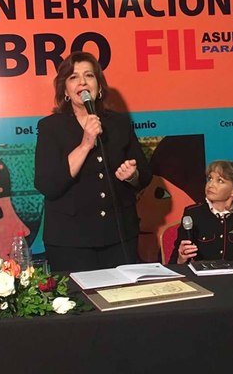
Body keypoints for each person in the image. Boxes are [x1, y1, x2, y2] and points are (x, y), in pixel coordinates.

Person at [34, 51, 152, 272]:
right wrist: (85, 143)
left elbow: (144, 175)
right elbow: (47, 184)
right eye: (73, 77)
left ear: (99, 85)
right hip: (70, 242)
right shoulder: (50, 127)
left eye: (89, 75)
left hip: (119, 236)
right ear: (65, 90)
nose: (82, 82)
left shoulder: (118, 123)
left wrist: (132, 175)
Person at [169, 160, 233, 264]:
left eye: (220, 181)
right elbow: (174, 262)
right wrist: (181, 258)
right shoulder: (193, 213)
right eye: (210, 179)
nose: (211, 185)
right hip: (202, 274)